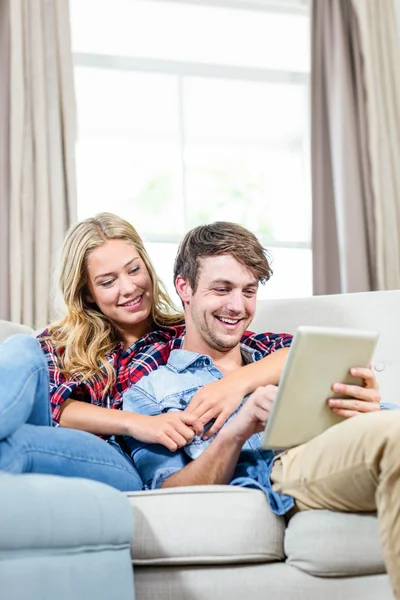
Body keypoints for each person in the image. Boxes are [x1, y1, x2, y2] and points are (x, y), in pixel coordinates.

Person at [120, 221, 400, 598]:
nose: (237, 307)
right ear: (184, 288)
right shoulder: (151, 393)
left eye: (248, 291)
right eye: (222, 289)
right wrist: (239, 427)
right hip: (289, 469)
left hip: (348, 450)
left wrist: (369, 407)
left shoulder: (279, 359)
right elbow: (168, 491)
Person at [0, 213, 289, 490]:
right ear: (87, 291)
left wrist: (233, 385)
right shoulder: (59, 342)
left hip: (111, 457)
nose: (128, 288)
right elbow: (54, 407)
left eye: (134, 270)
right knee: (21, 347)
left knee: (16, 445)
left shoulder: (180, 332)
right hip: (56, 438)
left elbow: (282, 350)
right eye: (108, 281)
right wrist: (138, 424)